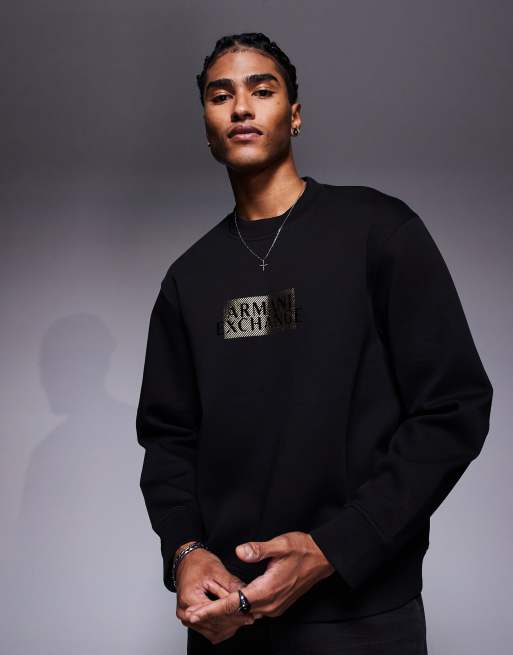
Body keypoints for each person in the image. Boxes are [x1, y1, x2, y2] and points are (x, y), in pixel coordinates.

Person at [135, 32, 493, 654]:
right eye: (220, 96)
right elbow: (169, 441)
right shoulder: (188, 281)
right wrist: (186, 552)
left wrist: (336, 547)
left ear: (294, 115)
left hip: (364, 618)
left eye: (261, 90)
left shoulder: (379, 231)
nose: (240, 107)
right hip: (233, 622)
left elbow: (453, 408)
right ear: (207, 128)